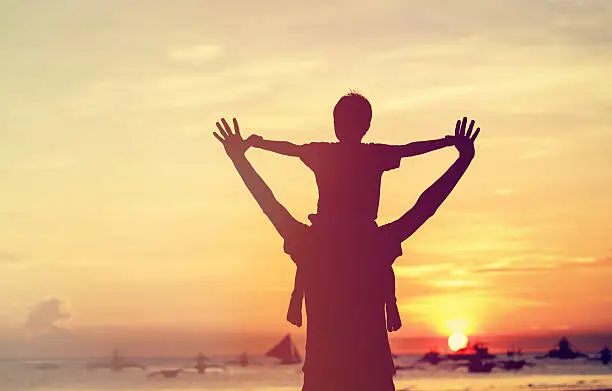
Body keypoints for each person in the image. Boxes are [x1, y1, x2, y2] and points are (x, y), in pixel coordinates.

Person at [213, 116, 480, 391]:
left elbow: (268, 201)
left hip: (324, 375)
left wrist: (239, 159)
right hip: (369, 375)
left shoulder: (312, 245)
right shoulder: (375, 244)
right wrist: (461, 158)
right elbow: (425, 204)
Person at [248, 93, 454, 331]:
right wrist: (259, 143)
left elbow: (408, 150)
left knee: (357, 258)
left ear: (364, 126)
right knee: (364, 258)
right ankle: (297, 299)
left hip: (353, 228)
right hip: (336, 227)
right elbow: (291, 149)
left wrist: (445, 142)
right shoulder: (339, 153)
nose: (341, 127)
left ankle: (390, 304)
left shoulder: (361, 153)